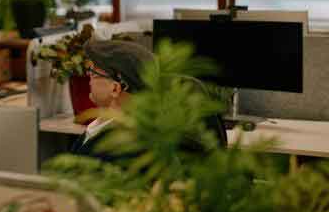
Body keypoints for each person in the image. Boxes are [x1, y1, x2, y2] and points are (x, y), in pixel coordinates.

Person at [71, 39, 227, 160]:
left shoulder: (124, 147)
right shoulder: (109, 124)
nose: (88, 79)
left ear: (115, 89)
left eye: (92, 73)